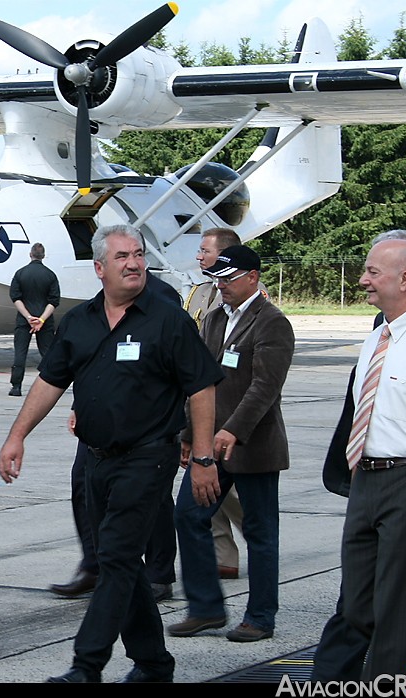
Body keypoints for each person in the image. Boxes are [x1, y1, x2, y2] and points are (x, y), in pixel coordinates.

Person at [0, 224, 223, 683]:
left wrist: (202, 459)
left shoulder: (167, 319)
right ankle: (155, 664)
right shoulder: (79, 322)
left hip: (149, 457)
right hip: (96, 459)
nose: (134, 263)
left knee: (116, 559)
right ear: (100, 268)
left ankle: (86, 666)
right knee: (122, 563)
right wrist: (16, 435)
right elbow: (50, 383)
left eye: (138, 254)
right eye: (122, 256)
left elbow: (201, 388)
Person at [312, 230, 406, 680]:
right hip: (368, 481)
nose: (362, 281)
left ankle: (403, 687)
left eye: (372, 272)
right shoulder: (378, 335)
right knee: (360, 608)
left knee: (395, 615)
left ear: (405, 279)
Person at [169, 245, 294, 643]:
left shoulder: (272, 322)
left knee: (259, 533)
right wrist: (190, 435)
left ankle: (260, 617)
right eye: (218, 279)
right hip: (210, 445)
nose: (221, 285)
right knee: (188, 515)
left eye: (229, 278)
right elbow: (199, 382)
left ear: (253, 277)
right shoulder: (214, 318)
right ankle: (206, 608)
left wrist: (233, 431)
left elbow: (265, 388)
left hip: (252, 446)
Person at [50, 270, 182, 602]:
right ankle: (94, 565)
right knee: (83, 485)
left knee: (154, 498)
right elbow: (90, 361)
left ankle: (158, 573)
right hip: (99, 421)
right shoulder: (99, 305)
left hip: (146, 424)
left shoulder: (162, 299)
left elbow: (175, 368)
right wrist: (79, 405)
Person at [184, 227, 260, 580]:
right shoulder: (201, 293)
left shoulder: (251, 302)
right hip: (204, 407)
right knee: (202, 487)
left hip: (232, 410)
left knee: (217, 487)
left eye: (205, 251)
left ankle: (256, 534)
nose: (199, 257)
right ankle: (223, 555)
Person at [9, 242, 60, 396]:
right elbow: (54, 301)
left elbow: (16, 298)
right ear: (43, 256)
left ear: (30, 254)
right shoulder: (50, 275)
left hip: (24, 320)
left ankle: (16, 386)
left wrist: (29, 317)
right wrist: (42, 320)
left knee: (20, 353)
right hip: (45, 319)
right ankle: (50, 384)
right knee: (47, 353)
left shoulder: (20, 273)